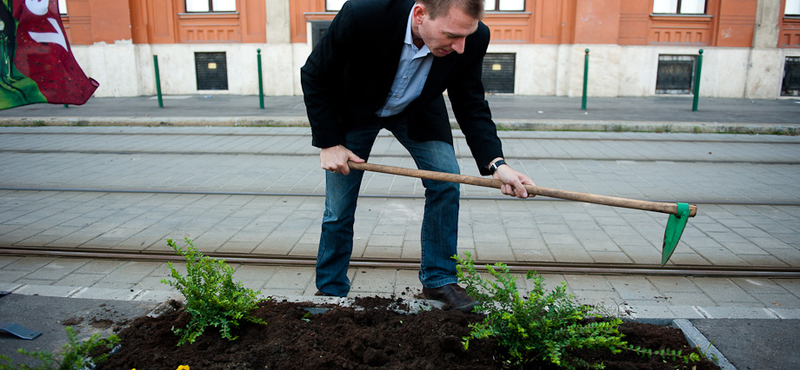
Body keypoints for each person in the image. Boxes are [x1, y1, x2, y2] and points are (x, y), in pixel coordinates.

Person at [301, 0, 533, 312]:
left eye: (466, 36)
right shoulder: (363, 14)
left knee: (446, 182)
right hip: (354, 112)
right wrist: (328, 143)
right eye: (452, 35)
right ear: (421, 15)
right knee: (339, 206)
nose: (461, 47)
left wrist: (497, 164)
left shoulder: (472, 38)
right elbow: (315, 74)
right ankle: (330, 291)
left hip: (417, 111)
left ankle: (438, 280)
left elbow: (470, 102)